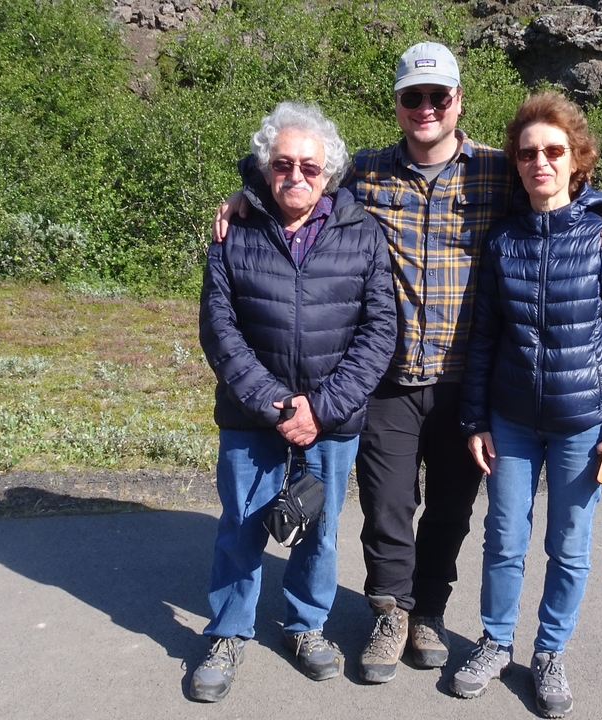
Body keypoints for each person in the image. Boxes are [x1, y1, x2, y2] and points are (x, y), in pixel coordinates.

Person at [212, 42, 602, 685]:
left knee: (449, 510)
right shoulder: (369, 173)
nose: (427, 108)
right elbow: (299, 177)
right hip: (388, 376)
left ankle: (428, 613)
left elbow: (561, 190)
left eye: (439, 96)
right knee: (386, 510)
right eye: (414, 97)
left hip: (470, 380)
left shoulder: (497, 170)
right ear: (399, 104)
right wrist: (244, 193)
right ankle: (389, 610)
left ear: (458, 100)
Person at [450, 91, 602, 718]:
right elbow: (483, 334)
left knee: (568, 547)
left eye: (554, 151)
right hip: (511, 420)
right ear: (516, 162)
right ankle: (494, 641)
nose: (540, 162)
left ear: (576, 160)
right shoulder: (502, 241)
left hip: (581, 423)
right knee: (503, 539)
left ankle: (549, 652)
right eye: (528, 153)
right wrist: (475, 418)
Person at [193, 101, 396, 703]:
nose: (296, 176)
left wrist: (322, 409)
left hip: (330, 419)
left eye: (310, 166)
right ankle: (228, 632)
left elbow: (380, 330)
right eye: (283, 164)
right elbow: (218, 328)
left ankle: (306, 627)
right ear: (265, 166)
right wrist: (276, 403)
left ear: (329, 170)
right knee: (241, 526)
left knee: (319, 529)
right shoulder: (237, 228)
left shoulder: (361, 231)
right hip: (252, 414)